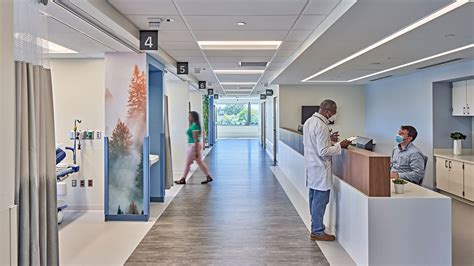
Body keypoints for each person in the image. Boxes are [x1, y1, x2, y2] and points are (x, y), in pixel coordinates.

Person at [303, 99, 351, 242]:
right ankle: (318, 231)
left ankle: (316, 227)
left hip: (312, 167)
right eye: (333, 113)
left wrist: (328, 139)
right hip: (320, 168)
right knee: (320, 201)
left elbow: (313, 141)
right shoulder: (321, 125)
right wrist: (340, 145)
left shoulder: (309, 122)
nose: (333, 116)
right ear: (327, 111)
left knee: (313, 199)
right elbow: (323, 151)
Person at [174, 111, 213, 185]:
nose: (188, 117)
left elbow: (195, 139)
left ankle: (183, 179)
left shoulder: (194, 126)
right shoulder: (194, 125)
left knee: (188, 163)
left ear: (194, 117)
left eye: (190, 116)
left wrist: (196, 151)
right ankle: (208, 176)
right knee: (199, 162)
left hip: (193, 146)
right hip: (193, 146)